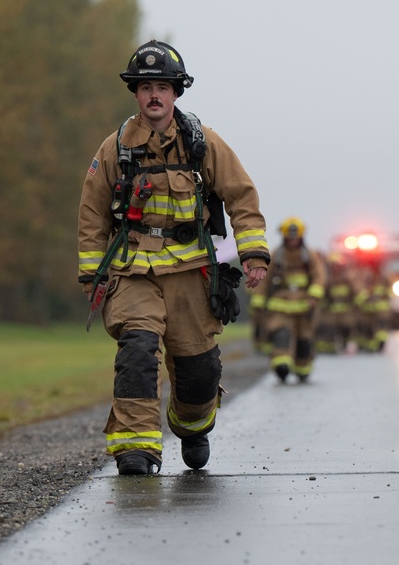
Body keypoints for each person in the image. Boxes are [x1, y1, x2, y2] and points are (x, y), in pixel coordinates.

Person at [78, 39, 270, 476]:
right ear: (135, 93)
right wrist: (92, 276)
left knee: (198, 369)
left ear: (176, 92)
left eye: (162, 87)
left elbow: (241, 196)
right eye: (145, 87)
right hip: (133, 272)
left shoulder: (203, 144)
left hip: (190, 274)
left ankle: (192, 426)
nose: (154, 95)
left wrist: (254, 254)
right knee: (137, 349)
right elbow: (91, 214)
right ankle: (136, 447)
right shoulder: (113, 150)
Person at [253, 216, 326, 382]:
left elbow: (319, 277)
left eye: (296, 237)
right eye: (290, 237)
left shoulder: (309, 256)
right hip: (281, 307)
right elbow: (264, 279)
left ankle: (303, 368)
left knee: (304, 340)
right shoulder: (276, 255)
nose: (293, 241)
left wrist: (314, 296)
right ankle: (281, 366)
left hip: (304, 307)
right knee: (281, 334)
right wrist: (258, 300)